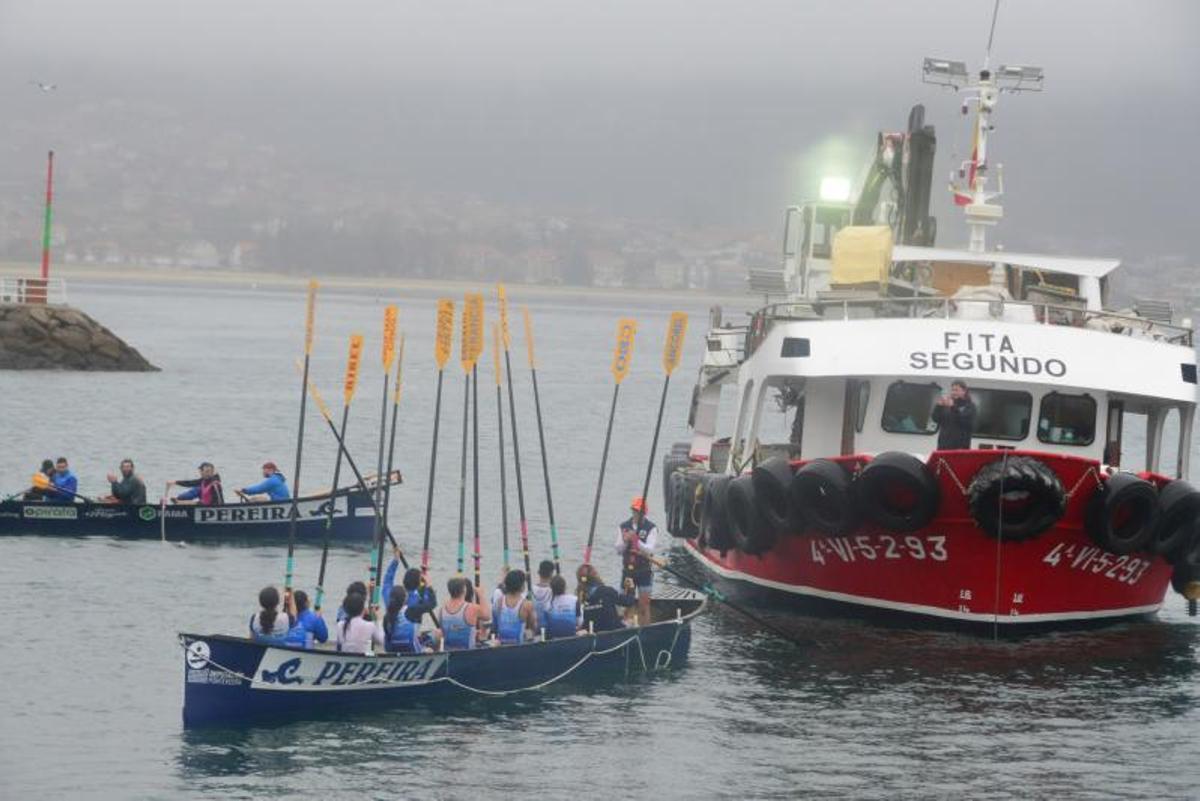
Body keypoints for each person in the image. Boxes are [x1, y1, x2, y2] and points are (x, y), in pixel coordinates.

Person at [615, 496, 658, 627]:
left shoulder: (651, 528)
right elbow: (618, 550)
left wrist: (636, 541)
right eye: (634, 510)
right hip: (628, 571)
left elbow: (649, 550)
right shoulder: (623, 526)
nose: (636, 513)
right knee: (626, 605)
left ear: (644, 512)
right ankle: (626, 630)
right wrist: (626, 540)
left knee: (644, 605)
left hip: (644, 571)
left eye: (639, 511)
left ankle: (646, 629)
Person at [576, 564, 636, 633]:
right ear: (596, 575)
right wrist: (631, 588)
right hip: (613, 629)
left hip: (594, 631)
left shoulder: (581, 595)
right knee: (631, 621)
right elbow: (629, 602)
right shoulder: (607, 591)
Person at [440, 577, 491, 650]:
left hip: (449, 651)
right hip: (468, 653)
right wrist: (481, 594)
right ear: (464, 590)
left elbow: (443, 630)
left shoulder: (442, 609)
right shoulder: (471, 608)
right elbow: (487, 616)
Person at [931, 379, 977, 450]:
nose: (954, 392)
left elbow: (964, 421)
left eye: (956, 390)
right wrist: (939, 406)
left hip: (960, 447)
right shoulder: (947, 405)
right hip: (943, 446)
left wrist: (953, 407)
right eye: (952, 390)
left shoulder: (970, 406)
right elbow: (935, 419)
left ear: (964, 391)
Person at [494, 569, 536, 645]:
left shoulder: (499, 601)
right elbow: (533, 626)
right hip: (518, 646)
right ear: (522, 587)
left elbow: (496, 624)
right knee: (530, 632)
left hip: (501, 644)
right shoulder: (527, 605)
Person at [545, 574, 581, 640]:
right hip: (572, 635)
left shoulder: (548, 603)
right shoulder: (575, 600)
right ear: (565, 586)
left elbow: (546, 625)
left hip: (553, 637)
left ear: (551, 589)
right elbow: (580, 622)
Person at [531, 560, 555, 633]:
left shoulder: (530, 590)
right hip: (549, 628)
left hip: (534, 628)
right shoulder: (554, 590)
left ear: (538, 572)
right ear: (551, 574)